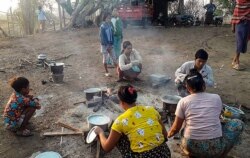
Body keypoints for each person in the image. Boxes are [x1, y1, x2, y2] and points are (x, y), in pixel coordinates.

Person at [168, 69, 244, 157]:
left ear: (188, 88)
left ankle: (189, 152)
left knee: (186, 125)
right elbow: (218, 117)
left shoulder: (183, 101)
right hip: (215, 148)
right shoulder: (216, 97)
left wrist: (167, 135)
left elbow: (175, 129)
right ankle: (222, 154)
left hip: (191, 146)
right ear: (204, 85)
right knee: (238, 123)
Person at [94, 85, 171, 158]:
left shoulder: (120, 121)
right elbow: (165, 135)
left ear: (122, 102)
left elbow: (107, 148)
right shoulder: (151, 110)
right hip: (164, 153)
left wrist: (100, 132)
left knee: (120, 137)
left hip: (143, 156)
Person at [231, 0, 250, 71]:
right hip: (240, 24)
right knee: (240, 42)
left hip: (248, 24)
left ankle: (234, 60)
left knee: (243, 42)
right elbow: (235, 13)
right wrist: (233, 25)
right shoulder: (239, 2)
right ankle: (237, 62)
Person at [99, 12, 118, 77]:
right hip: (105, 46)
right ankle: (106, 71)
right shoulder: (102, 27)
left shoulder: (110, 25)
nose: (109, 19)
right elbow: (102, 37)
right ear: (104, 18)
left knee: (114, 58)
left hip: (110, 45)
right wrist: (107, 46)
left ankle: (118, 71)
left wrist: (111, 44)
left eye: (110, 18)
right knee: (105, 59)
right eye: (107, 18)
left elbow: (112, 35)